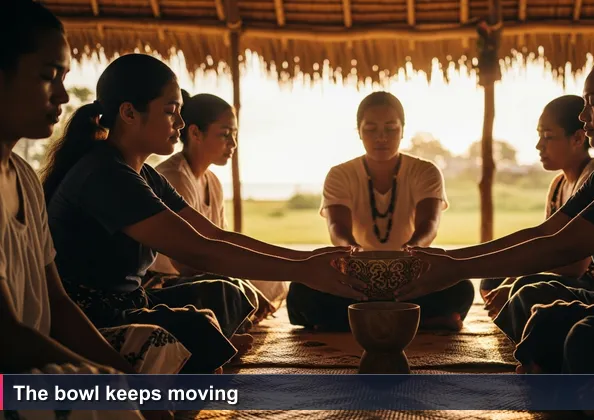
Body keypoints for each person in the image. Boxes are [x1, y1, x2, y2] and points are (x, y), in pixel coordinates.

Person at [41, 53, 367, 374]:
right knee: (187, 332)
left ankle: (202, 351)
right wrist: (303, 271)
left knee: (206, 315)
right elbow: (197, 252)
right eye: (171, 112)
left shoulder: (142, 173)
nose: (180, 124)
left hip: (130, 305)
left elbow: (213, 235)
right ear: (128, 112)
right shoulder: (105, 175)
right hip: (89, 321)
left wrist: (303, 262)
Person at [400, 49, 594, 374]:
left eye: (593, 103)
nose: (584, 116)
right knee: (544, 315)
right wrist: (452, 260)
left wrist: (457, 270)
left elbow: (564, 247)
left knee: (585, 336)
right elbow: (545, 232)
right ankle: (557, 374)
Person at [0, 2, 167, 420]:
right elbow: (6, 337)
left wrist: (118, 375)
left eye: (64, 78)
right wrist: (111, 383)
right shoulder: (101, 172)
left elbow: (56, 302)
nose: (61, 95)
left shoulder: (21, 176)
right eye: (46, 76)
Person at [286, 92, 474, 331]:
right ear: (359, 131)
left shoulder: (426, 171)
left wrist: (408, 256)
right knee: (300, 290)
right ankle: (417, 322)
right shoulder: (340, 174)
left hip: (409, 278)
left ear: (403, 130)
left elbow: (430, 224)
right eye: (371, 129)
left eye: (391, 129)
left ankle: (352, 323)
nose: (381, 137)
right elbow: (337, 228)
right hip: (357, 280)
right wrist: (356, 256)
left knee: (462, 287)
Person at [149, 90, 282, 323]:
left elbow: (222, 241)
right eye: (225, 134)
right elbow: (187, 263)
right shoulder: (175, 177)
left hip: (203, 270)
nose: (233, 144)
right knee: (228, 292)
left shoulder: (213, 181)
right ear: (195, 133)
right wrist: (242, 284)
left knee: (274, 281)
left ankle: (238, 312)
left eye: (235, 134)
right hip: (167, 279)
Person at [480, 95, 594, 318]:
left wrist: (517, 279)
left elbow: (575, 266)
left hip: (591, 285)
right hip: (562, 271)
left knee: (523, 287)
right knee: (493, 280)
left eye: (548, 136)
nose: (539, 145)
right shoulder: (558, 185)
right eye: (539, 135)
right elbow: (543, 240)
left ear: (577, 138)